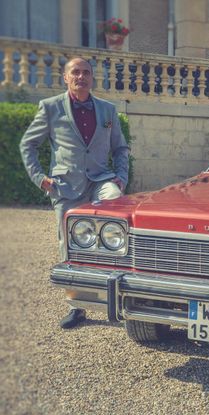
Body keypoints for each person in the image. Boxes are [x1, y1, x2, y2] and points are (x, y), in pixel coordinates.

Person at [20, 57, 130, 329]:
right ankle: (77, 307)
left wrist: (122, 176)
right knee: (68, 245)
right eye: (75, 72)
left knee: (116, 208)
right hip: (65, 187)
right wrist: (41, 179)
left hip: (99, 180)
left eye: (86, 73)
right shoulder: (50, 107)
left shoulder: (107, 110)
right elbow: (28, 145)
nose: (81, 77)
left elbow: (120, 149)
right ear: (65, 78)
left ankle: (119, 294)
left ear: (92, 78)